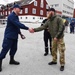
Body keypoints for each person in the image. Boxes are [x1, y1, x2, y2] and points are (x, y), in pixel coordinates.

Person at [0, 4, 32, 72]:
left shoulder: (16, 16)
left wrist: (20, 34)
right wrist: (28, 28)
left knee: (14, 49)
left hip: (14, 36)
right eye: (19, 8)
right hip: (9, 37)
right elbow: (18, 24)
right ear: (14, 9)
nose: (20, 10)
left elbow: (16, 26)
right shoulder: (11, 16)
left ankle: (11, 60)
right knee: (5, 49)